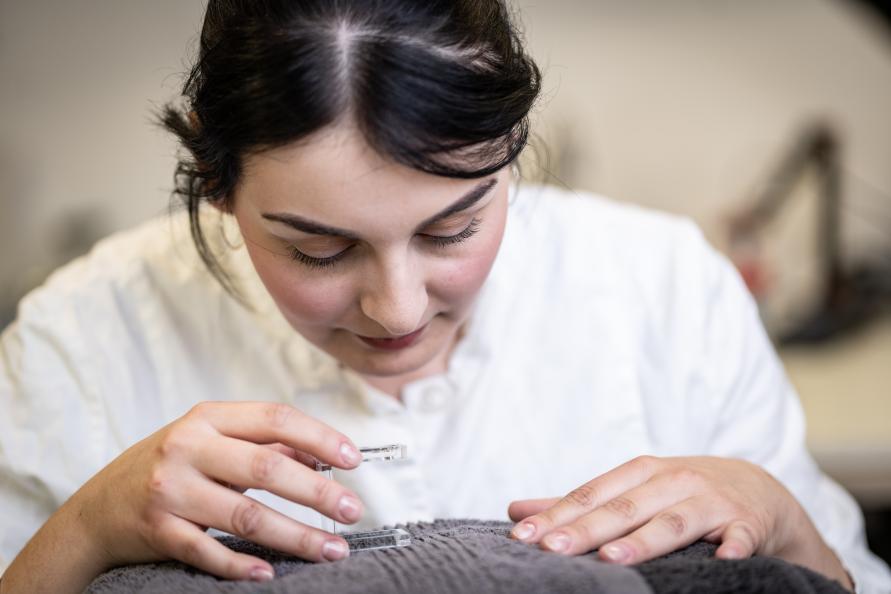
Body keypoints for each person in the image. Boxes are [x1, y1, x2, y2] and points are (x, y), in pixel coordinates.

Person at [1, 1, 889, 593]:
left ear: (508, 148)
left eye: (451, 231)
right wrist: (87, 527)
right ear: (216, 182)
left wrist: (784, 525)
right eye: (319, 248)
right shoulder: (86, 333)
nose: (397, 308)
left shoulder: (664, 287)